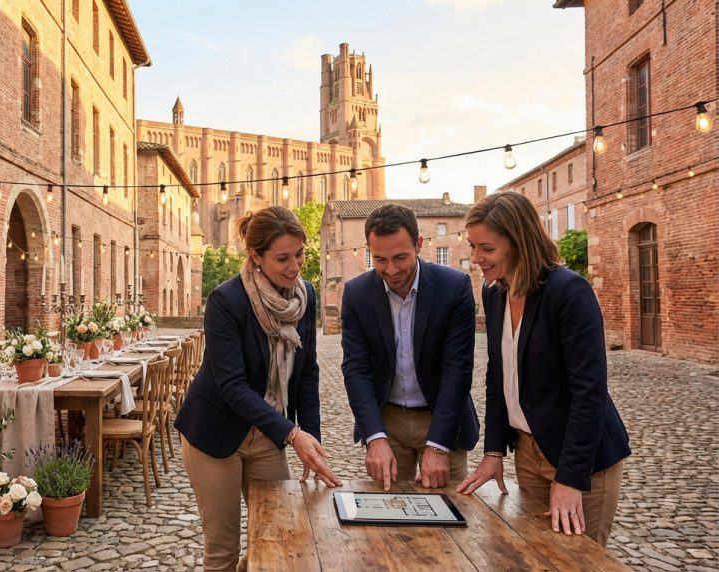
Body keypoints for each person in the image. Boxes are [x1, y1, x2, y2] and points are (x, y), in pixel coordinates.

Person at [456, 192, 630, 547]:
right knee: (533, 554)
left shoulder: (569, 291)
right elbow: (497, 376)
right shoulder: (494, 293)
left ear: (518, 241)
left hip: (582, 459)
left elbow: (589, 390)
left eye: (486, 248)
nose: (476, 258)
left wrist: (571, 477)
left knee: (577, 559)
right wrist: (493, 452)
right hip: (528, 452)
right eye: (473, 247)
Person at [175, 206, 341, 572]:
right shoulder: (226, 300)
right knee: (223, 552)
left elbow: (307, 371)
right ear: (256, 256)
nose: (294, 266)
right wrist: (292, 434)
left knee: (280, 537)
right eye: (282, 258)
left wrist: (309, 436)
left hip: (267, 432)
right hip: (214, 435)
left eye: (299, 254)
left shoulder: (306, 296)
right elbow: (231, 385)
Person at [341, 204, 479, 491]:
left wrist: (439, 445)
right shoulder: (356, 294)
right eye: (379, 259)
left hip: (441, 416)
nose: (391, 270)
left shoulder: (454, 287)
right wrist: (374, 437)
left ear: (418, 244)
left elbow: (458, 369)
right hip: (387, 420)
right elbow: (356, 369)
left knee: (450, 517)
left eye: (400, 257)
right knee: (388, 518)